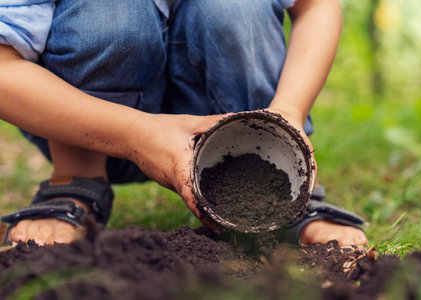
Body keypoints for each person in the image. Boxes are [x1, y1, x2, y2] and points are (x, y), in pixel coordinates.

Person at [0, 0, 367, 247]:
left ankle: (281, 192)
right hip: (96, 134)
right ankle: (75, 182)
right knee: (110, 13)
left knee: (235, 8)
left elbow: (316, 5)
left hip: (233, 132)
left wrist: (289, 112)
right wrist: (136, 135)